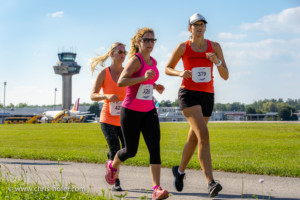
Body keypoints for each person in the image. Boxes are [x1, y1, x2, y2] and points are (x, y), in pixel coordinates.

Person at [165, 13, 229, 197]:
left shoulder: (215, 47)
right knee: (204, 135)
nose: (199, 27)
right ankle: (210, 182)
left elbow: (225, 75)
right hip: (188, 95)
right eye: (195, 25)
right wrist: (179, 73)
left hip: (207, 96)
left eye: (202, 24)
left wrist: (216, 61)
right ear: (189, 29)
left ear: (205, 27)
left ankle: (180, 172)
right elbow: (167, 68)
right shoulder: (183, 47)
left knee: (194, 138)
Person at [104, 27, 169, 200]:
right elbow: (122, 81)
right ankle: (112, 165)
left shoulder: (153, 62)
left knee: (155, 148)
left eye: (152, 40)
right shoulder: (135, 60)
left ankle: (156, 188)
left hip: (149, 111)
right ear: (138, 42)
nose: (149, 43)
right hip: (131, 112)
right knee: (130, 151)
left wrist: (155, 86)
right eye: (146, 40)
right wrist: (143, 78)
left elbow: (145, 84)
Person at [90, 42, 127, 191]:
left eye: (124, 52)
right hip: (107, 118)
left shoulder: (127, 72)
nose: (123, 55)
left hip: (124, 118)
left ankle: (110, 160)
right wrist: (106, 95)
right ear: (112, 54)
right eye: (120, 52)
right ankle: (116, 181)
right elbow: (92, 95)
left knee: (126, 150)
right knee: (115, 148)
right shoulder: (104, 73)